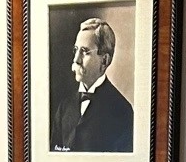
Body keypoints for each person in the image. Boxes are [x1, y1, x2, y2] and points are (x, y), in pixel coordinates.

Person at [51, 18, 133, 152]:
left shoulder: (122, 111)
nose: (76, 59)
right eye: (76, 50)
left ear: (105, 60)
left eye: (84, 52)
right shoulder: (64, 107)